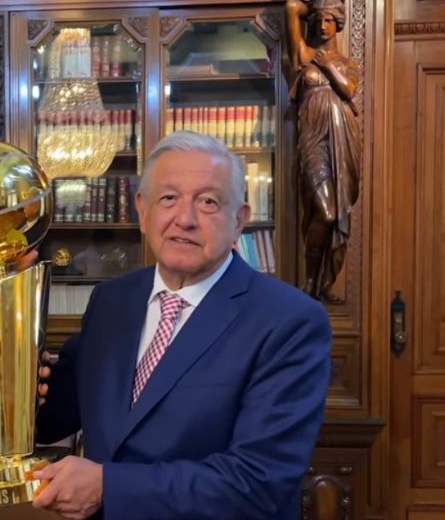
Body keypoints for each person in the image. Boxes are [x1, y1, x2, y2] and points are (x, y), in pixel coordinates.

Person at [30, 131, 333, 519]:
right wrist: (9, 346)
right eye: (168, 198)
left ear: (239, 219)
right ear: (142, 211)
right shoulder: (111, 301)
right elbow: (54, 414)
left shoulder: (290, 321)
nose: (184, 219)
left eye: (207, 202)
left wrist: (109, 486)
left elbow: (259, 483)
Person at [286, 0, 362, 302]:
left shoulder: (347, 64)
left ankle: (320, 285)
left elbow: (348, 90)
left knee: (336, 211)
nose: (321, 24)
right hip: (312, 140)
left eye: (329, 19)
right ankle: (309, 281)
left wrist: (328, 66)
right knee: (325, 212)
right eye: (317, 19)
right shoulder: (303, 54)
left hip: (341, 138)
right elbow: (292, 7)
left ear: (339, 24)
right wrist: (312, 7)